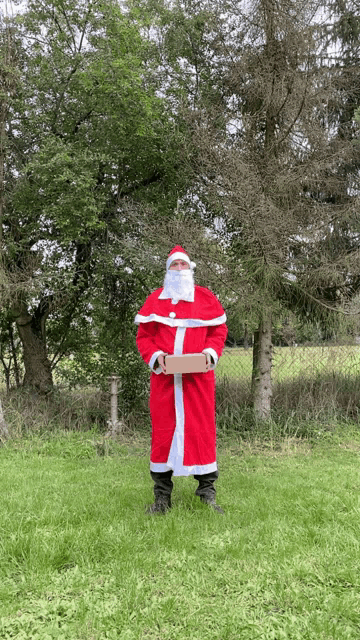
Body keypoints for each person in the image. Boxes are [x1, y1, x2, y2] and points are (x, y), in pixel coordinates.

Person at [134, 245, 228, 514]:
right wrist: (157, 357)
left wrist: (209, 354)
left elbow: (218, 330)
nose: (178, 269)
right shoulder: (155, 301)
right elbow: (144, 338)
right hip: (165, 383)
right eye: (174, 265)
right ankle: (162, 499)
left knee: (201, 432)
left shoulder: (206, 298)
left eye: (182, 265)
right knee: (164, 434)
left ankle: (207, 495)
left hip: (197, 383)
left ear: (191, 269)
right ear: (167, 270)